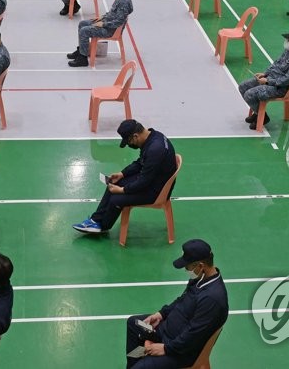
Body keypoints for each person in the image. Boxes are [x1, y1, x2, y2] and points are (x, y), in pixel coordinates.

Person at [123, 239, 229, 368]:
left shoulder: (212, 299)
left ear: (201, 266)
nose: (186, 270)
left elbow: (193, 335)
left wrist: (166, 349)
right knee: (134, 323)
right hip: (163, 332)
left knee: (142, 367)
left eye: (188, 266)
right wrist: (161, 314)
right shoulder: (200, 278)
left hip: (180, 351)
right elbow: (181, 300)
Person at [72, 119, 177, 233]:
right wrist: (122, 174)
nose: (129, 145)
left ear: (135, 136)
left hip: (157, 191)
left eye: (129, 141)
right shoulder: (153, 136)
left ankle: (103, 227)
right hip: (154, 180)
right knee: (113, 183)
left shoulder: (155, 149)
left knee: (116, 199)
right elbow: (141, 163)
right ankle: (95, 221)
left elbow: (144, 181)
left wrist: (122, 190)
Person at [238, 29, 289, 129]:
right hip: (270, 79)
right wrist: (265, 74)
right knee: (243, 87)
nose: (286, 42)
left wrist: (268, 81)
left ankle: (263, 117)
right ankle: (258, 113)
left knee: (249, 94)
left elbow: (286, 80)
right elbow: (276, 63)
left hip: (280, 88)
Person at [69, 0, 133, 67]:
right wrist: (102, 18)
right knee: (82, 24)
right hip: (106, 23)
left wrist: (103, 24)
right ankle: (81, 51)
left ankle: (83, 59)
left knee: (84, 31)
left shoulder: (124, 2)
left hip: (110, 29)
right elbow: (112, 14)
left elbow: (118, 21)